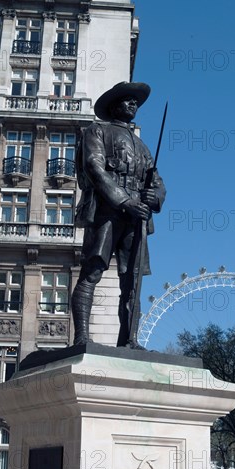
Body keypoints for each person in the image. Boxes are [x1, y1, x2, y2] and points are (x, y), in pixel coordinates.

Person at [72, 81, 166, 347]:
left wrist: (154, 197)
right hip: (107, 211)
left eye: (136, 101)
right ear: (114, 105)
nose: (133, 104)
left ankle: (130, 340)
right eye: (128, 100)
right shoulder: (97, 131)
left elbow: (157, 181)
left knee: (132, 280)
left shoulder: (142, 145)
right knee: (92, 270)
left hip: (137, 216)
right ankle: (81, 337)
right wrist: (124, 201)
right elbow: (94, 167)